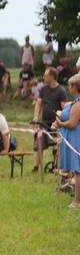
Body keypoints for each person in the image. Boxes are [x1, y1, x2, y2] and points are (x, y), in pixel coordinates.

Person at [52, 74, 80, 208]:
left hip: (76, 138)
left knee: (78, 170)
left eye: (70, 85)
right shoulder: (75, 102)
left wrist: (60, 123)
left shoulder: (78, 104)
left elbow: (73, 123)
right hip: (73, 138)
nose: (68, 88)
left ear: (75, 87)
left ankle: (77, 201)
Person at [34, 67, 67, 174]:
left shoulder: (61, 91)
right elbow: (39, 103)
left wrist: (60, 121)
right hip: (44, 123)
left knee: (59, 143)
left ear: (52, 77)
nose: (43, 77)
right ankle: (36, 166)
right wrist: (36, 117)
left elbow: (64, 107)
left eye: (45, 75)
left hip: (56, 124)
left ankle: (57, 165)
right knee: (39, 138)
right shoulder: (43, 89)